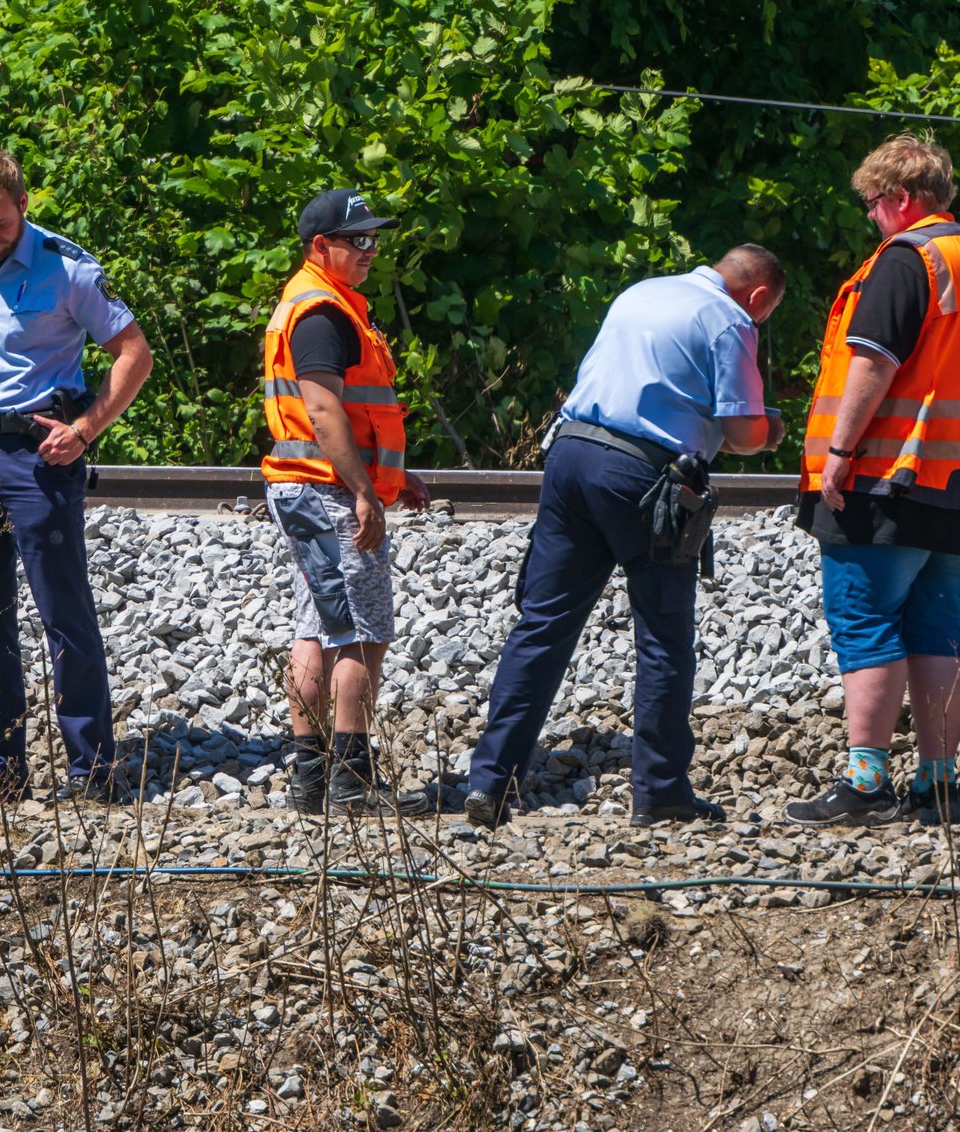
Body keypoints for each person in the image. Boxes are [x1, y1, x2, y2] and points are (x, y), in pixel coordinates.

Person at [462, 246, 788, 830]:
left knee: (543, 622)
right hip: (644, 474)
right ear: (759, 296)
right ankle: (661, 791)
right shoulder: (730, 320)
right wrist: (772, 431)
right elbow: (742, 432)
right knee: (663, 635)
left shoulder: (643, 291)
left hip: (570, 455)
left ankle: (489, 782)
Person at [783, 134, 960, 826]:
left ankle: (866, 783)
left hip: (892, 476)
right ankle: (938, 780)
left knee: (863, 619)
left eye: (871, 203)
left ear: (897, 198)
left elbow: (873, 362)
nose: (869, 217)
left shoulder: (906, 259)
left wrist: (839, 448)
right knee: (937, 621)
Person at [0, 150, 153, 805]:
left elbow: (133, 353)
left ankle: (91, 769)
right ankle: (4, 768)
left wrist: (87, 429)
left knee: (63, 613)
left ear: (22, 206)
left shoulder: (69, 269)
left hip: (38, 458)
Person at [262, 188, 434, 817]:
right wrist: (364, 490)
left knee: (317, 627)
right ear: (320, 246)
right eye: (356, 240)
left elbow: (352, 414)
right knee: (362, 635)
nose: (370, 250)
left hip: (305, 484)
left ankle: (312, 783)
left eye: (373, 239)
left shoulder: (321, 305)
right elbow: (323, 407)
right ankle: (350, 784)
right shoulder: (323, 315)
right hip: (326, 490)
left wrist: (392, 476)